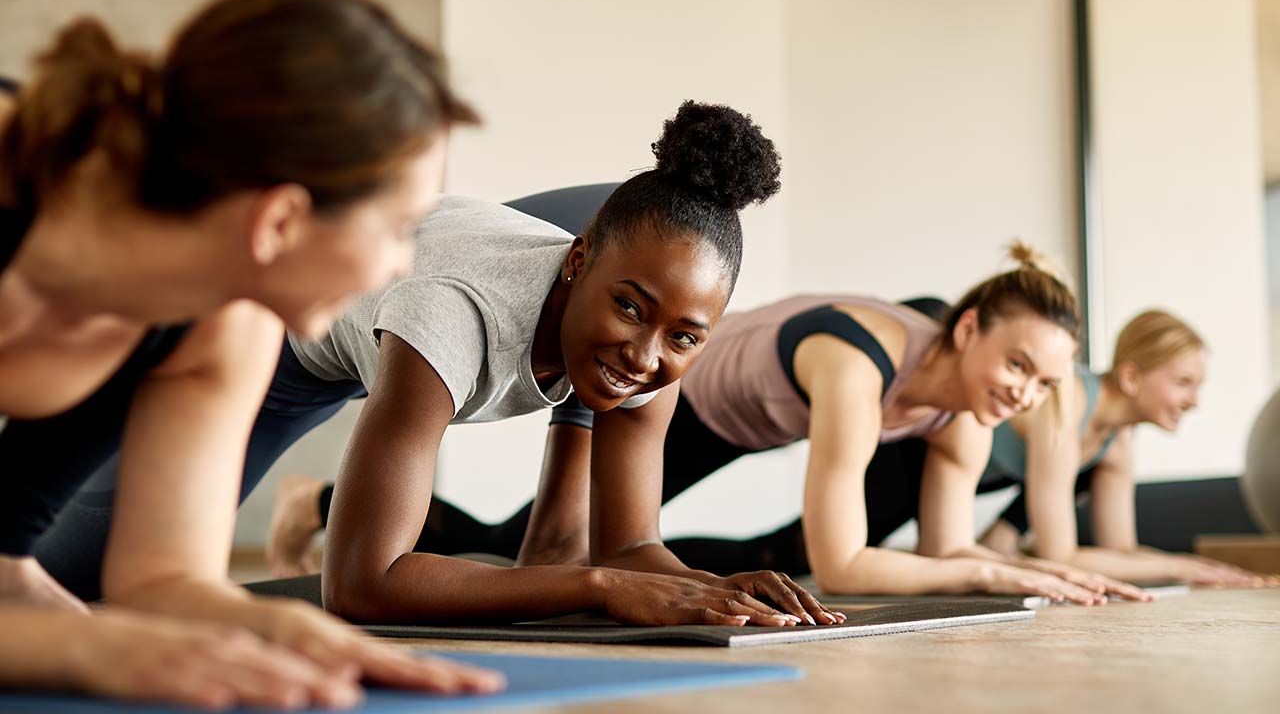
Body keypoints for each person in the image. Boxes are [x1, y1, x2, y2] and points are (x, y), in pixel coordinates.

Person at [0, 0, 502, 708]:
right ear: (279, 222)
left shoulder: (227, 325)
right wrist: (87, 647)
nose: (404, 262)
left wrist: (282, 629)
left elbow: (161, 581)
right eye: (399, 229)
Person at [273, 244, 1144, 604]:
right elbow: (844, 561)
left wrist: (1018, 574)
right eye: (1019, 367)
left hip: (758, 424)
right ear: (967, 330)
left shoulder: (965, 419)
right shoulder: (858, 359)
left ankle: (333, 506)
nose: (1028, 394)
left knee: (732, 550)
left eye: (1047, 383)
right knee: (534, 542)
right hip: (694, 400)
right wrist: (989, 576)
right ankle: (322, 503)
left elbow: (947, 554)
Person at [977, 310, 1274, 587]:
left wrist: (1198, 567)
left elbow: (1120, 550)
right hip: (947, 471)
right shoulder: (1070, 403)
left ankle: (1001, 539)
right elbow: (1059, 557)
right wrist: (1178, 568)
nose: (1194, 401)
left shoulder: (1117, 438)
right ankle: (999, 541)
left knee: (1084, 469)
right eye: (1183, 382)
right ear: (1130, 377)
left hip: (1001, 477)